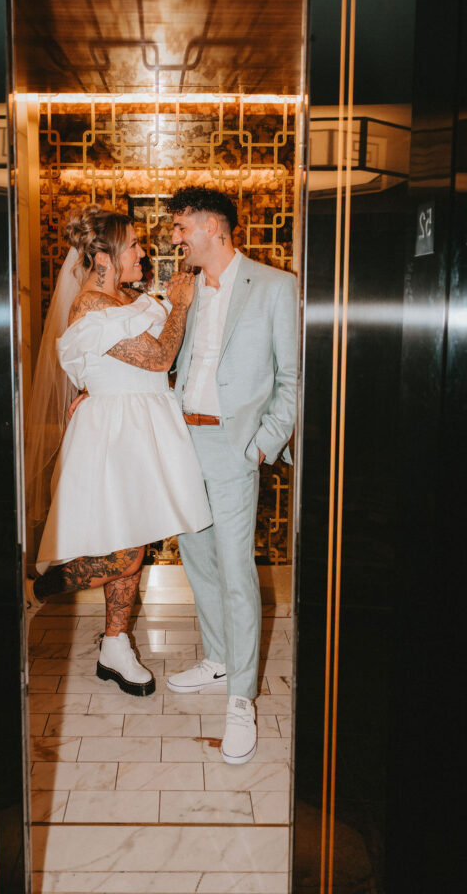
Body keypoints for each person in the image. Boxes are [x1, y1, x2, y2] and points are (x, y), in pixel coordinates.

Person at [24, 206, 212, 696]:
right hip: (113, 435)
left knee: (135, 541)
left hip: (143, 428)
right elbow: (159, 357)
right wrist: (183, 304)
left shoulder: (131, 298)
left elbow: (152, 368)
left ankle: (115, 646)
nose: (142, 253)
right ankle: (35, 589)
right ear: (104, 256)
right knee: (123, 555)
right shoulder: (90, 307)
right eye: (133, 245)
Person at [165, 186, 298, 764]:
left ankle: (241, 699)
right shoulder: (184, 289)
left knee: (238, 570)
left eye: (181, 227)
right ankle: (218, 659)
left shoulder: (275, 286)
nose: (175, 237)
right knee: (198, 559)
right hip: (181, 438)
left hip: (233, 445)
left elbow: (292, 380)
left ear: (213, 228)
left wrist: (260, 447)